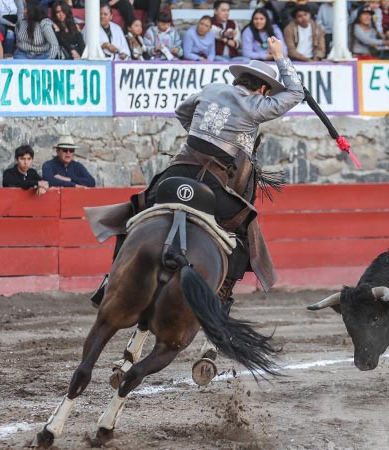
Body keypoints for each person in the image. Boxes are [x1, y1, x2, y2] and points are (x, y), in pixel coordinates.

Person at [90, 36, 304, 313]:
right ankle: (223, 296)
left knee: (137, 209)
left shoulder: (211, 88)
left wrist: (200, 133)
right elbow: (296, 93)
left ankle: (112, 279)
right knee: (245, 225)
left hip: (177, 169)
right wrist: (280, 56)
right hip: (212, 181)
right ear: (262, 88)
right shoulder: (255, 107)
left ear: (241, 80)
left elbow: (181, 112)